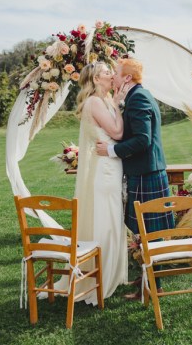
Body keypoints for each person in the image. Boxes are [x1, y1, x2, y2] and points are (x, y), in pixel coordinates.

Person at [96, 58, 174, 300]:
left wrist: (110, 150)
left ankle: (152, 286)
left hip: (146, 172)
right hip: (146, 171)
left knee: (150, 230)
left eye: (116, 73)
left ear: (127, 78)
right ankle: (147, 281)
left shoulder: (138, 98)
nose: (113, 78)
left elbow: (143, 140)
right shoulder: (136, 95)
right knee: (147, 231)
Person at [73, 61, 128, 304]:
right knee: (106, 219)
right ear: (96, 79)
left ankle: (112, 272)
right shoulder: (96, 102)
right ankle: (102, 275)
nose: (111, 75)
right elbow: (117, 133)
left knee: (112, 217)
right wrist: (118, 104)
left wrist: (115, 103)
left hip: (110, 167)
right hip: (104, 171)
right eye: (107, 73)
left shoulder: (103, 101)